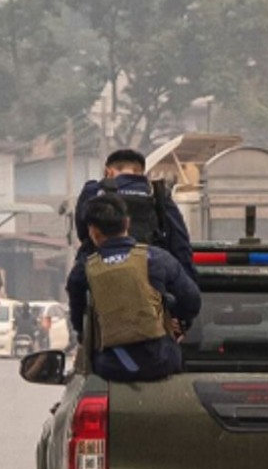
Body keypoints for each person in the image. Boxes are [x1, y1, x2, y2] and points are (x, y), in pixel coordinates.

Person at [66, 194, 201, 381]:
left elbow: (79, 324)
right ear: (127, 223)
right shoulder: (157, 258)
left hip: (111, 369)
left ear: (93, 232)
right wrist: (177, 321)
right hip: (161, 363)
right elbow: (192, 301)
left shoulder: (83, 271)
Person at [74, 148, 195, 280]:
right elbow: (179, 238)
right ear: (141, 172)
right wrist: (187, 278)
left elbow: (83, 232)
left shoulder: (95, 190)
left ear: (109, 172)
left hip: (103, 271)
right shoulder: (156, 193)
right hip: (150, 271)